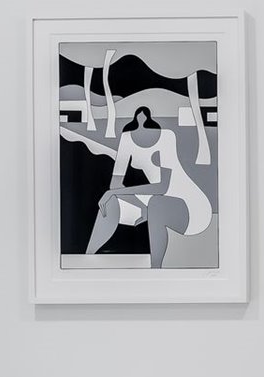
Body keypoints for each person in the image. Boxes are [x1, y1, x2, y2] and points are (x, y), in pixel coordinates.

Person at [84, 106, 213, 268]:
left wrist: (114, 192)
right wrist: (138, 205)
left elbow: (162, 188)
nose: (141, 124)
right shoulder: (126, 139)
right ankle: (86, 259)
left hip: (190, 207)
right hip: (156, 200)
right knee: (110, 204)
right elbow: (115, 183)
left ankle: (156, 270)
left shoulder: (166, 138)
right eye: (138, 122)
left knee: (156, 205)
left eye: (145, 122)